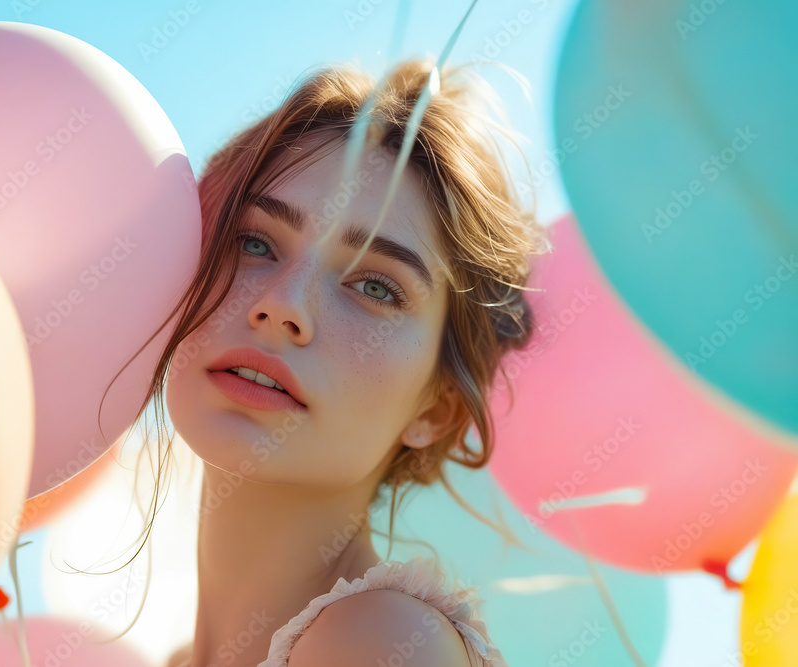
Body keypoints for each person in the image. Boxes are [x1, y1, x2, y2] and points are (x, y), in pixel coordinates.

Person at [106, 54, 548, 667]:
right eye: (254, 243)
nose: (283, 306)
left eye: (375, 287)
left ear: (438, 409)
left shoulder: (381, 642)